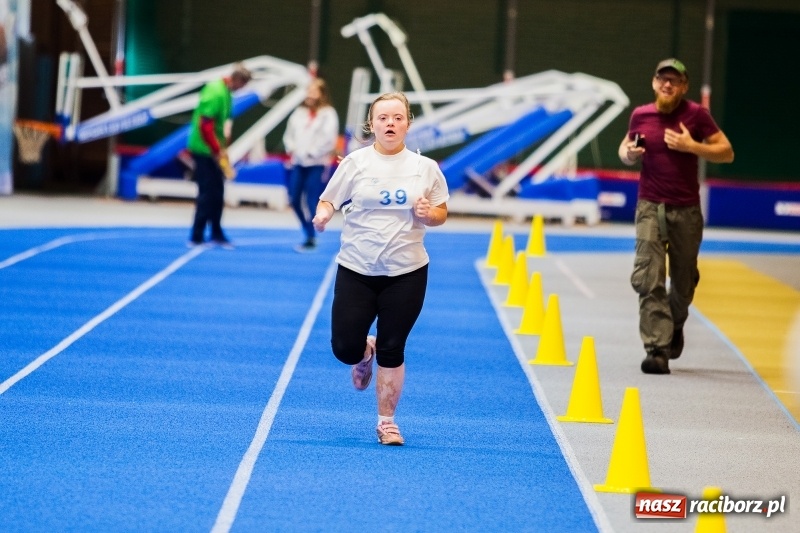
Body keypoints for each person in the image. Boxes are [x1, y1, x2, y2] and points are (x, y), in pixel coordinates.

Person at [312, 92, 449, 445]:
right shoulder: (355, 163)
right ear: (371, 124)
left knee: (393, 346)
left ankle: (387, 422)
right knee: (344, 348)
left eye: (397, 117)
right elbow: (329, 197)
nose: (390, 123)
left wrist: (427, 214)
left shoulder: (425, 168)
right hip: (357, 268)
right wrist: (324, 213)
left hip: (407, 272)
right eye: (383, 117)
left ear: (407, 123)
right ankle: (363, 353)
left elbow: (441, 212)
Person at [619, 58, 734, 374]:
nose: (667, 85)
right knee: (648, 276)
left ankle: (675, 323)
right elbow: (626, 147)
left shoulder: (696, 115)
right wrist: (628, 154)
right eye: (662, 79)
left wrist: (691, 145)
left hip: (686, 210)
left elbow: (726, 151)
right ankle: (657, 348)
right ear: (654, 83)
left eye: (675, 80)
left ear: (684, 86)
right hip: (649, 206)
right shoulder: (641, 115)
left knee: (683, 282)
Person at [186, 62, 252, 248]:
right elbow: (205, 125)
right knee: (207, 192)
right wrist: (217, 151)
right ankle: (197, 235)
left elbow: (222, 125)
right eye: (243, 85)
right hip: (203, 150)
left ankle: (216, 232)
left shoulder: (226, 93)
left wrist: (223, 151)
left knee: (217, 192)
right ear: (238, 80)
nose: (243, 89)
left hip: (214, 150)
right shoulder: (215, 91)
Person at [283, 78, 339, 253]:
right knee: (294, 198)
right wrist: (292, 149)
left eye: (314, 91)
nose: (310, 95)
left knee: (310, 200)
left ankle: (311, 235)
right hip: (298, 163)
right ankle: (308, 231)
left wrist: (312, 152)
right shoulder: (299, 113)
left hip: (317, 163)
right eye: (309, 91)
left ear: (321, 94)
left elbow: (329, 139)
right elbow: (289, 135)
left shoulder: (328, 114)